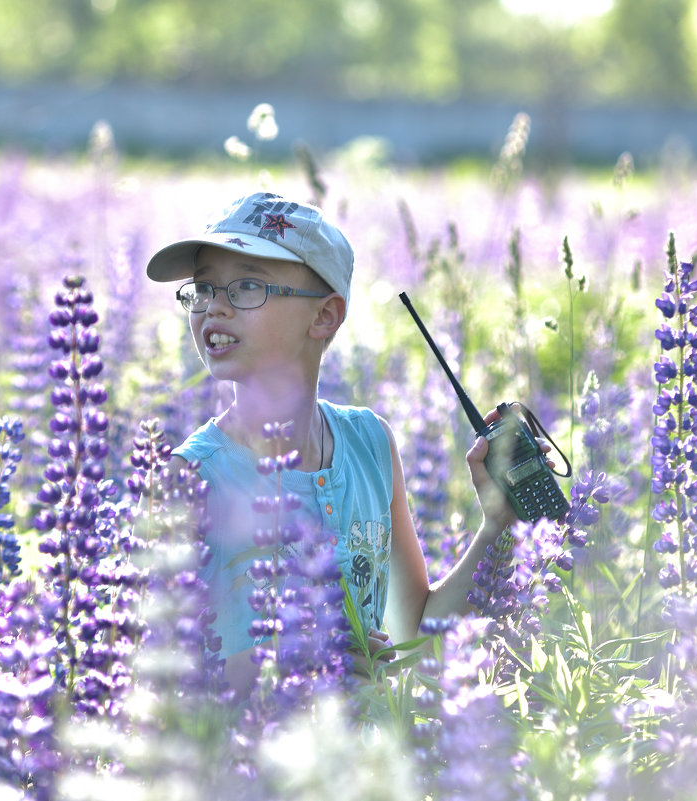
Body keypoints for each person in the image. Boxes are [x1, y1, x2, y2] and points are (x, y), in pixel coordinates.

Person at [146, 190, 538, 691]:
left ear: (325, 316)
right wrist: (301, 661)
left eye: (246, 287)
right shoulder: (190, 477)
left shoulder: (370, 443)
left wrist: (497, 525)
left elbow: (415, 632)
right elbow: (156, 681)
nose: (214, 308)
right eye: (202, 289)